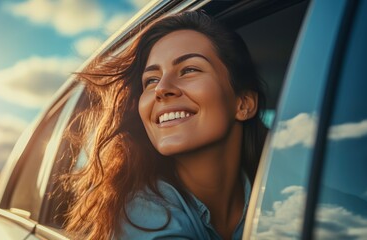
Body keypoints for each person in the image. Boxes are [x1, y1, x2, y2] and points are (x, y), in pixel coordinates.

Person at [64, 10, 268, 240]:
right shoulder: (141, 214)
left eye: (189, 69)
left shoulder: (282, 188)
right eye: (151, 80)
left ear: (243, 104)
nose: (161, 88)